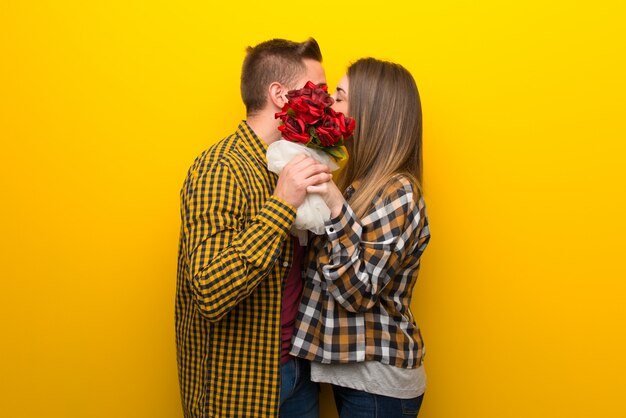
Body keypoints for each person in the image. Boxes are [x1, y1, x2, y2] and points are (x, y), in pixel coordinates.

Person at [176, 38, 329, 418]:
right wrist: (281, 205)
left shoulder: (290, 160)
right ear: (279, 94)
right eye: (316, 93)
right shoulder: (221, 168)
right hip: (243, 385)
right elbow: (210, 291)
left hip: (299, 372)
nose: (325, 105)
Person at [290, 58, 431, 418]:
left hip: (378, 384)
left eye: (338, 97)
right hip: (354, 379)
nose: (328, 106)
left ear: (370, 109)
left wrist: (334, 202)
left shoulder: (399, 192)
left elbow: (356, 293)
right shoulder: (358, 184)